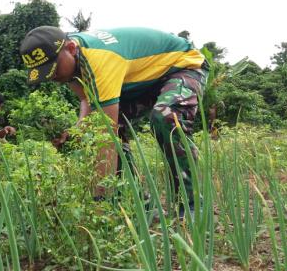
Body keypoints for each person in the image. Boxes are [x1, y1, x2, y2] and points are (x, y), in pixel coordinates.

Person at [19, 26, 208, 216]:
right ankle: (141, 206)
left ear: (70, 49)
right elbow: (87, 99)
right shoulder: (69, 58)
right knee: (102, 128)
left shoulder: (99, 59)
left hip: (183, 66)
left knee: (165, 116)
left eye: (54, 70)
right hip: (142, 79)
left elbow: (106, 138)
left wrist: (99, 201)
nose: (53, 77)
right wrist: (79, 129)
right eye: (46, 74)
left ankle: (192, 204)